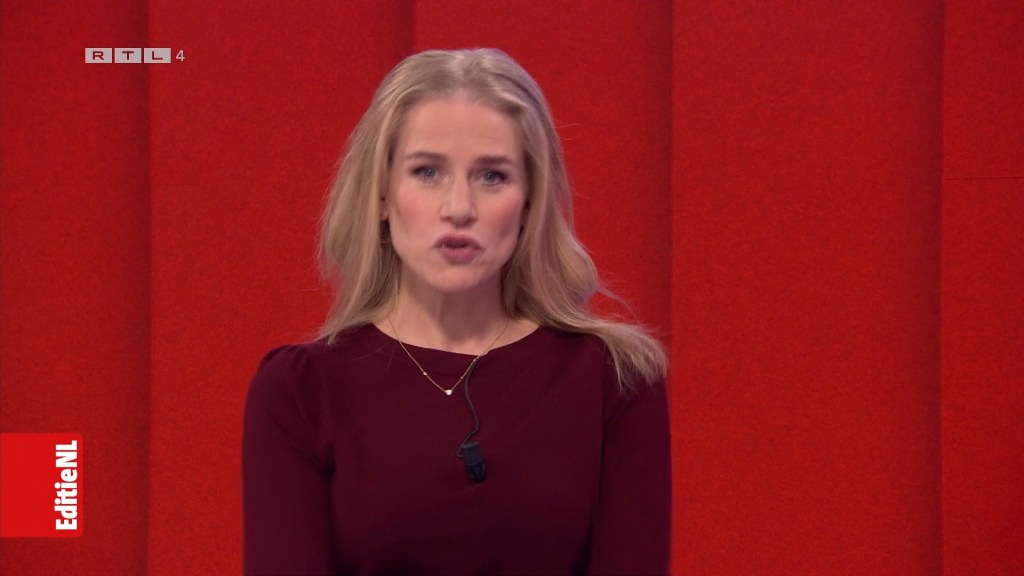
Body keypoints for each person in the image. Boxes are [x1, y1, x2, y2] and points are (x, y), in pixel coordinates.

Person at [242, 48, 671, 576]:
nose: (459, 208)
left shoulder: (616, 380)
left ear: (530, 202)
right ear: (382, 194)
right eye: (428, 172)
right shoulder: (299, 392)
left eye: (492, 176)